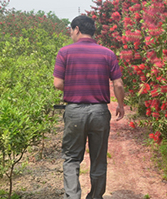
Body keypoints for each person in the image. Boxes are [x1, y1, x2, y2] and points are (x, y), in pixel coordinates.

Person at [53, 15, 125, 199]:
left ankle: (73, 196)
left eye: (70, 30)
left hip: (75, 111)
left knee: (71, 158)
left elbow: (57, 84)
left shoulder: (65, 52)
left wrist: (76, 86)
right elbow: (118, 84)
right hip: (99, 112)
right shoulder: (107, 53)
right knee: (99, 158)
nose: (70, 34)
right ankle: (95, 196)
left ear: (77, 29)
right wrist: (121, 105)